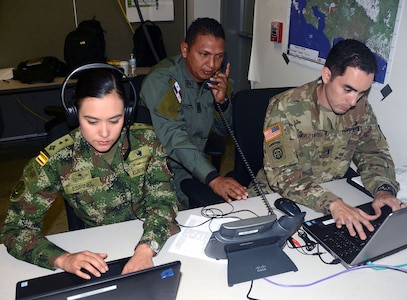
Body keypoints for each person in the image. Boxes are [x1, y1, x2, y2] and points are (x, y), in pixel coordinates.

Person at [1, 66, 179, 279]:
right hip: (98, 247)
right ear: (75, 115)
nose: (104, 133)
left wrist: (146, 249)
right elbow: (14, 230)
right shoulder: (58, 157)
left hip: (151, 236)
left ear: (128, 113)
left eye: (115, 120)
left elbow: (164, 203)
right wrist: (62, 259)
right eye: (92, 121)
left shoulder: (146, 141)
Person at [254, 39, 404, 240]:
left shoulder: (361, 108)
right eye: (348, 89)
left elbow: (373, 152)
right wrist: (332, 203)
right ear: (327, 75)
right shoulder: (284, 108)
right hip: (277, 199)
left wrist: (383, 189)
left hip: (332, 195)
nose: (353, 102)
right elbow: (282, 174)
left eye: (362, 93)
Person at [140, 17, 248, 209]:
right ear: (185, 49)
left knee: (234, 204)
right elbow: (173, 136)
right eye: (204, 54)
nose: (212, 64)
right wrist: (213, 178)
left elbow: (226, 132)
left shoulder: (217, 82)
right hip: (159, 168)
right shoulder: (163, 80)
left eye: (219, 56)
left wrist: (221, 103)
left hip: (195, 165)